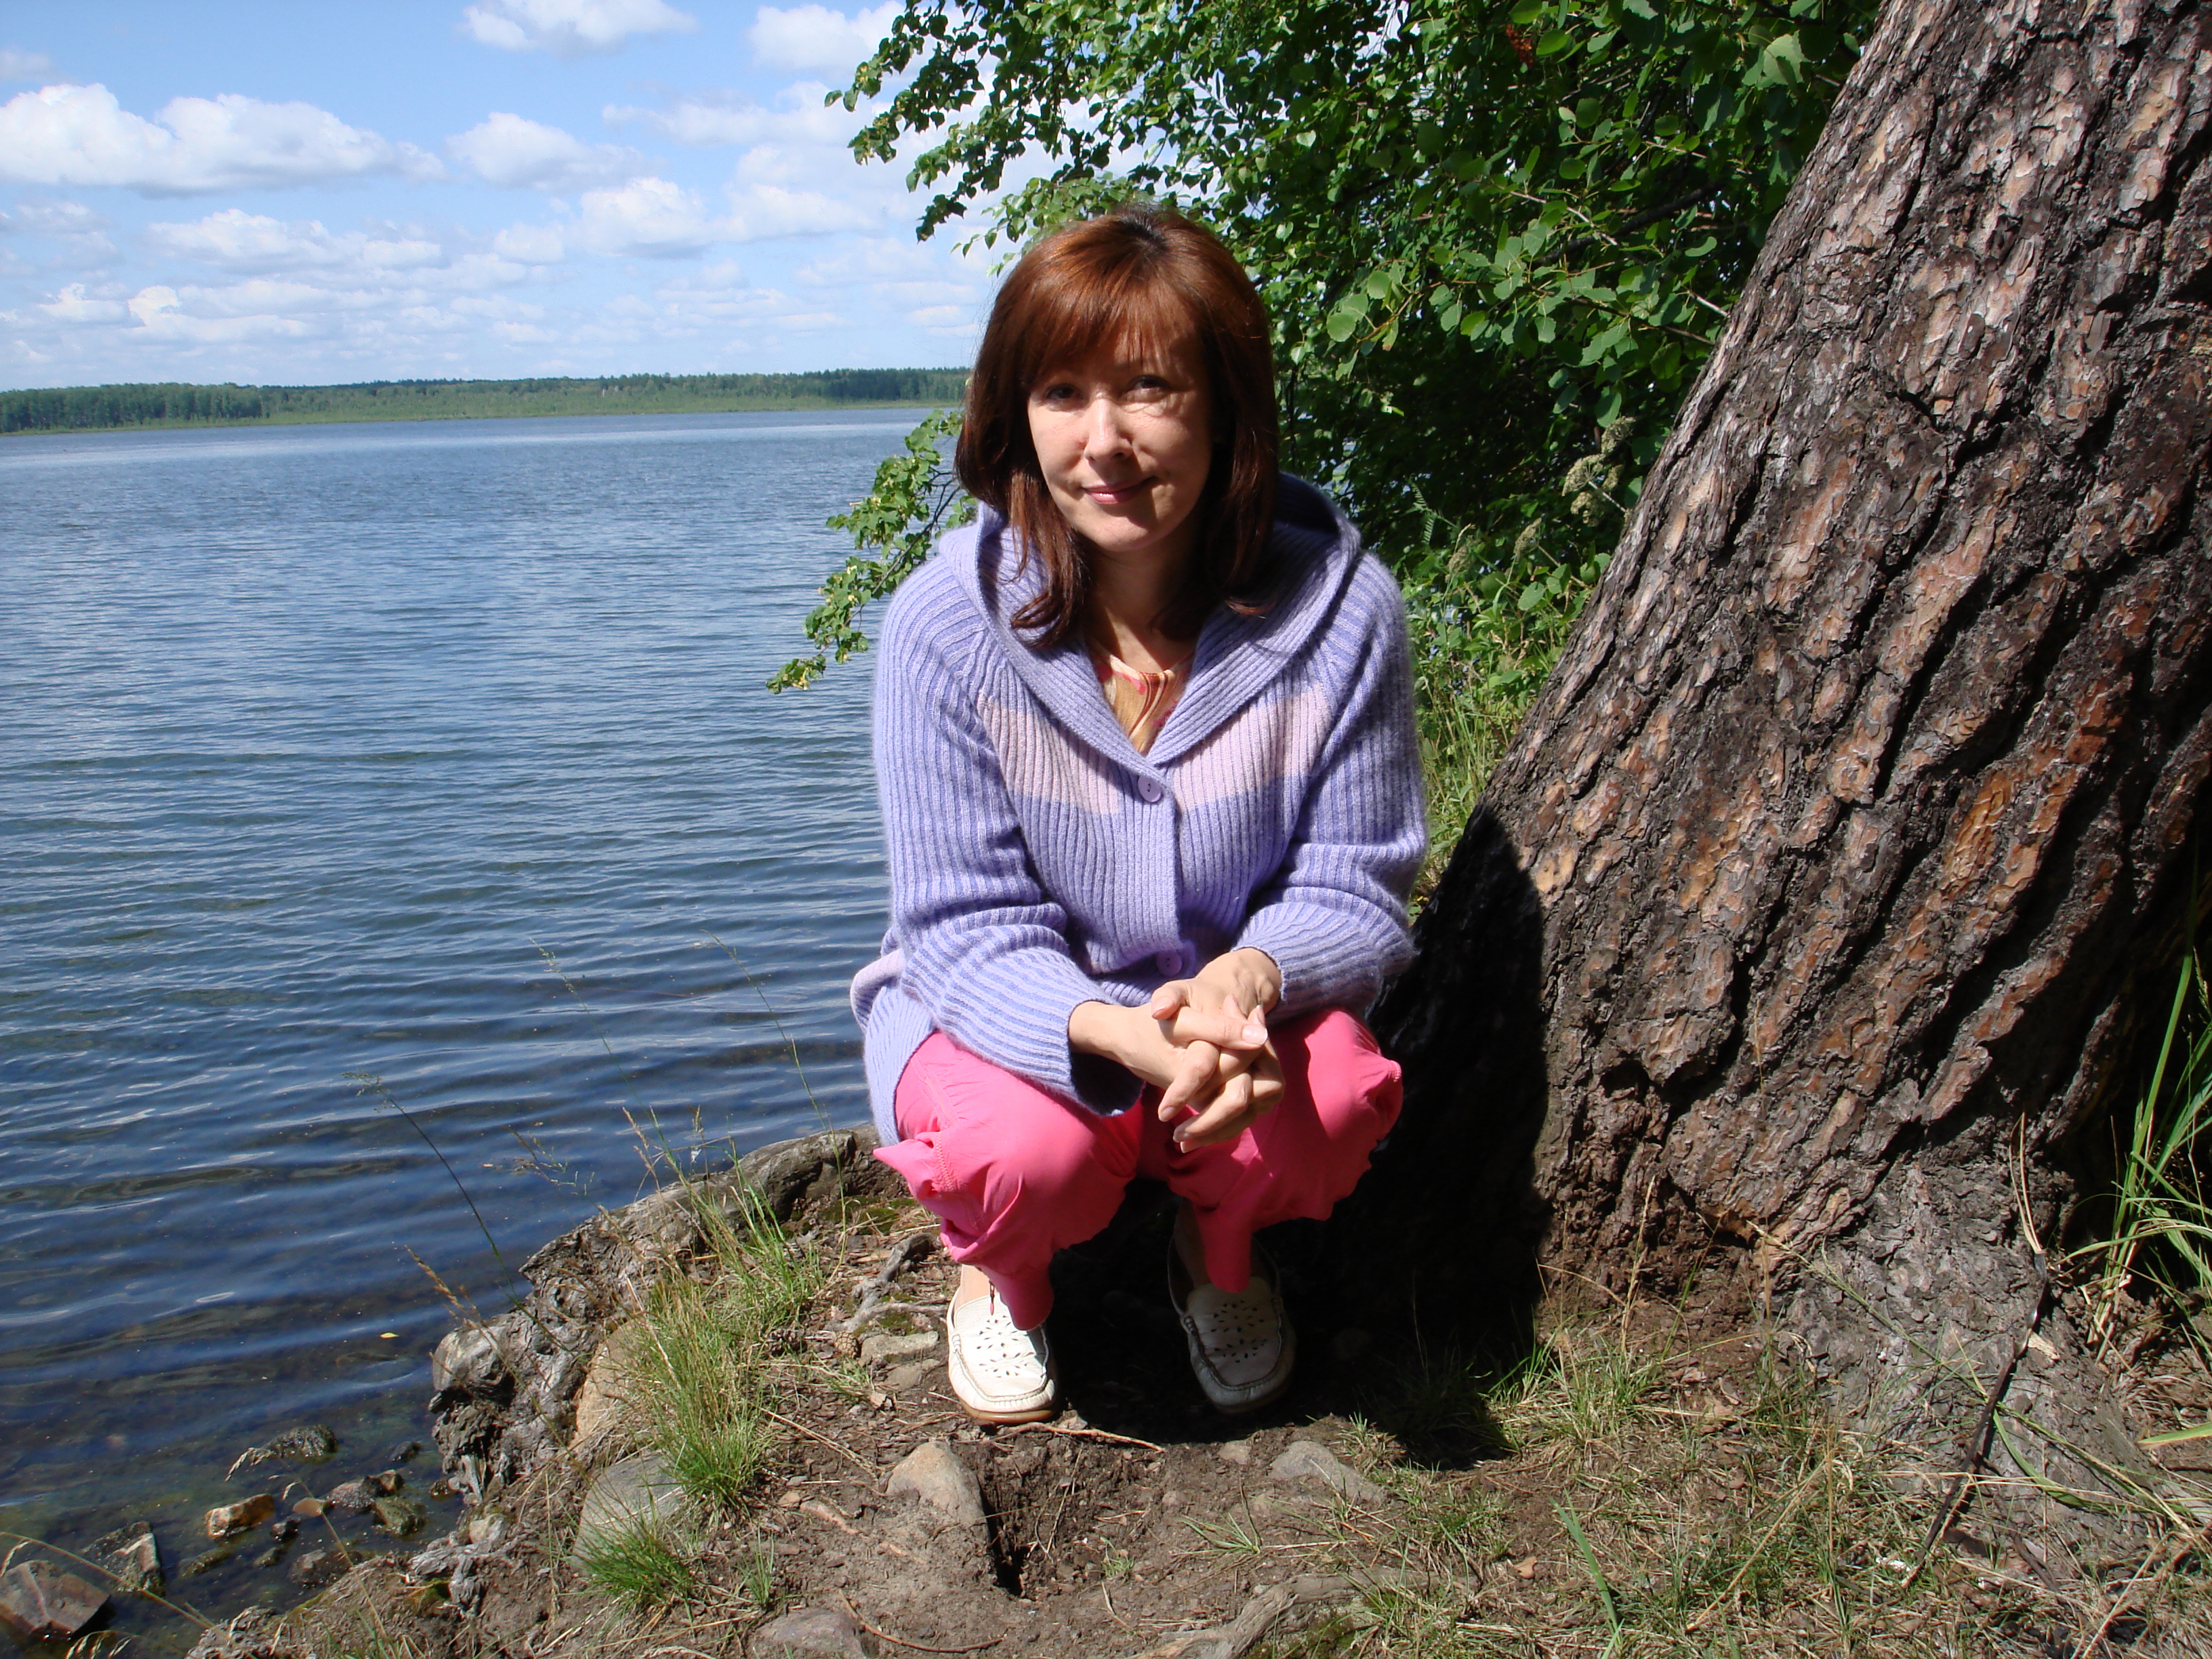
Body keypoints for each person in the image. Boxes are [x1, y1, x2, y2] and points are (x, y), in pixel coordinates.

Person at [848, 205, 1425, 1424]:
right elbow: (962, 928)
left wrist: (1249, 980)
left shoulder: (1344, 612)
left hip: (1238, 1017)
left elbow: (1359, 882)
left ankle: (1217, 1255)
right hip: (1007, 1015)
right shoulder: (943, 629)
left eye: (1149, 388)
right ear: (1016, 416)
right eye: (1062, 393)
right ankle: (1003, 1278)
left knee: (1325, 1110)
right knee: (1022, 1156)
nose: (1102, 441)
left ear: (1225, 408)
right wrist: (1115, 1031)